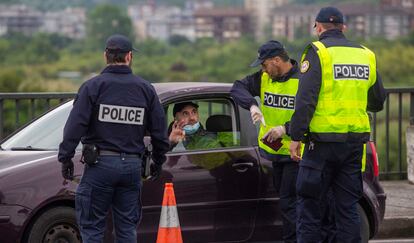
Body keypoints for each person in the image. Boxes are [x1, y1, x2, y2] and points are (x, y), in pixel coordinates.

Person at [58, 34, 169, 242]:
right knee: (127, 230)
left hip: (100, 166)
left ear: (105, 56)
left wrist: (65, 158)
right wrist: (158, 161)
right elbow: (159, 133)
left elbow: (75, 126)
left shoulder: (92, 87)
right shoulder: (146, 89)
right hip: (132, 169)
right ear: (129, 57)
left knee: (92, 229)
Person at [289, 7, 386, 243]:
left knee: (310, 208)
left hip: (321, 145)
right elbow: (378, 100)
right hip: (354, 145)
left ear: (318, 27)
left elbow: (306, 100)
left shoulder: (318, 52)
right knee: (348, 208)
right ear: (344, 27)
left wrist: (296, 137)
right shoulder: (366, 55)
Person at [231, 40, 300, 243]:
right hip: (276, 153)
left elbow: (311, 113)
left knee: (291, 205)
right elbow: (237, 88)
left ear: (276, 60)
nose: (263, 69)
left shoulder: (304, 80)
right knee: (287, 203)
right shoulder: (264, 78)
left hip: (297, 154)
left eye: (264, 64)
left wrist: (285, 128)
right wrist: (252, 105)